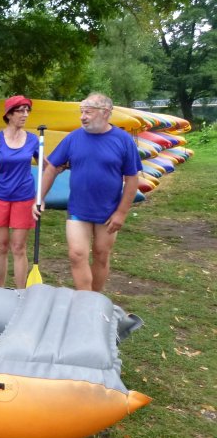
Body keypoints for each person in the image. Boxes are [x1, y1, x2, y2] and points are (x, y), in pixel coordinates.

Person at [35, 93, 141, 291]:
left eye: (88, 112)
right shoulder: (73, 138)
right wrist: (39, 198)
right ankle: (84, 299)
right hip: (78, 208)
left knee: (101, 255)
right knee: (76, 254)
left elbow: (132, 179)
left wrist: (121, 213)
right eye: (81, 112)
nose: (82, 117)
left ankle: (95, 299)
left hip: (109, 211)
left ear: (106, 113)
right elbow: (51, 168)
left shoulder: (123, 140)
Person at [0, 95, 40, 288]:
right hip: (0, 196)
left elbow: (46, 168)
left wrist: (42, 195)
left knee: (19, 247)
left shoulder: (33, 140)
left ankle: (20, 292)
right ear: (9, 114)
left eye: (27, 111)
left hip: (24, 197)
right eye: (20, 111)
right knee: (0, 246)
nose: (25, 115)